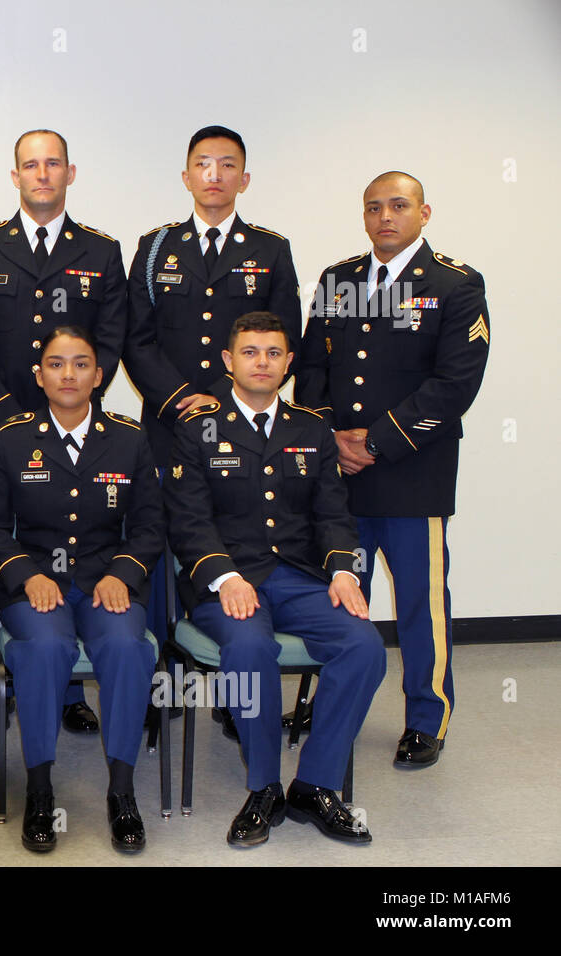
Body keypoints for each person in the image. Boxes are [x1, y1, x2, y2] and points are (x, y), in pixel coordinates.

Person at [166, 312, 386, 847]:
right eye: (249, 352)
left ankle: (315, 784)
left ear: (288, 363)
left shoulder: (310, 429)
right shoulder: (198, 428)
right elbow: (188, 519)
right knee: (249, 648)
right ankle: (264, 786)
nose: (261, 362)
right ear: (228, 362)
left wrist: (341, 569)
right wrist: (223, 574)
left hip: (300, 577)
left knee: (364, 646)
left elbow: (333, 514)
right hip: (227, 582)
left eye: (272, 353)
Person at [297, 171, 490, 768]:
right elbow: (311, 369)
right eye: (374, 207)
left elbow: (455, 382)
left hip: (412, 472)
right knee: (335, 597)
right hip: (340, 479)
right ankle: (329, 705)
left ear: (424, 213)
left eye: (399, 206)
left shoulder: (455, 284)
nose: (385, 216)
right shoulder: (339, 280)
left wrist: (375, 443)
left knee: (418, 606)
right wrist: (331, 439)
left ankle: (426, 718)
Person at [120, 125, 302, 719]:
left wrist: (225, 403)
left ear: (244, 179)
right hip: (166, 426)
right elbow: (136, 338)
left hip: (240, 431)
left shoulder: (271, 250)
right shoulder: (154, 246)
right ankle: (157, 680)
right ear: (186, 177)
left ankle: (229, 679)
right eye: (204, 164)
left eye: (228, 166)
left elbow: (282, 338)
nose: (215, 175)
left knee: (226, 539)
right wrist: (179, 398)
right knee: (156, 538)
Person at [0, 128, 128, 734]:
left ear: (70, 173)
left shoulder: (102, 252)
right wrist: (5, 417)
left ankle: (62, 689)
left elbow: (108, 341)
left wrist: (70, 408)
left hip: (77, 432)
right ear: (15, 176)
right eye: (31, 165)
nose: (43, 174)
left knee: (76, 542)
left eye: (53, 164)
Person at [0, 326, 163, 854]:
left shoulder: (129, 438)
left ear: (99, 376)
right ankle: (39, 789)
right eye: (56, 364)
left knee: (128, 647)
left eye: (81, 364)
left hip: (107, 580)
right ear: (39, 376)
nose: (68, 374)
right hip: (35, 581)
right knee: (44, 647)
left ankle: (121, 792)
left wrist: (122, 572)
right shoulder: (11, 438)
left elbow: (151, 526)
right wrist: (25, 572)